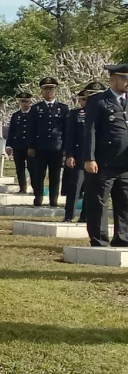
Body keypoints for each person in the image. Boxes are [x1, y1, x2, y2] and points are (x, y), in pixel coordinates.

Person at [80, 64, 128, 248]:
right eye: (124, 79)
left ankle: (122, 238)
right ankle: (99, 240)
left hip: (124, 163)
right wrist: (88, 158)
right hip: (102, 162)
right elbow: (89, 132)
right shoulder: (99, 101)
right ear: (114, 78)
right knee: (98, 202)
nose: (127, 83)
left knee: (124, 202)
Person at [62, 82, 101, 224]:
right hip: (79, 155)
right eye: (88, 95)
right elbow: (70, 136)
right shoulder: (76, 114)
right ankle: (68, 215)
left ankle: (85, 216)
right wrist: (70, 155)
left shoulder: (103, 112)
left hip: (98, 157)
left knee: (91, 189)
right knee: (75, 187)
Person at [27, 77, 68, 207]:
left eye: (51, 88)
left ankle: (53, 200)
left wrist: (66, 148)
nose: (49, 91)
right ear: (42, 91)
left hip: (57, 148)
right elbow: (31, 129)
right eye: (46, 89)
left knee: (55, 176)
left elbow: (66, 130)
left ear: (55, 90)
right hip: (40, 148)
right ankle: (38, 198)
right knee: (39, 175)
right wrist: (31, 146)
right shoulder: (35, 108)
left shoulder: (63, 108)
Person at [5, 91, 33, 195]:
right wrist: (8, 145)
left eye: (26, 101)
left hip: (31, 146)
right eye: (22, 101)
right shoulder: (16, 116)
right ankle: (22, 188)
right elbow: (11, 131)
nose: (24, 104)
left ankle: (35, 187)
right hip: (18, 146)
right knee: (19, 168)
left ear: (30, 102)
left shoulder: (34, 115)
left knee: (32, 168)